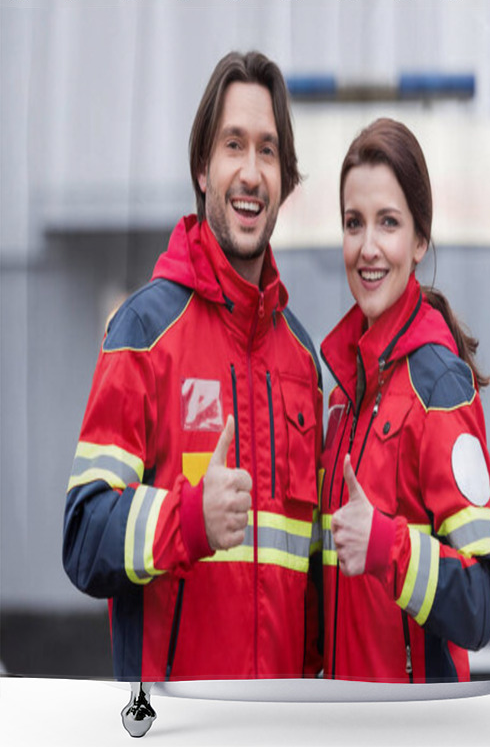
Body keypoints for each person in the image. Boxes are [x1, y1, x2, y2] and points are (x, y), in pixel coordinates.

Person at [62, 51, 323, 683]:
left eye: (267, 151)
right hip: (178, 723)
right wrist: (189, 520)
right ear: (202, 170)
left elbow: (315, 587)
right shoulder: (144, 333)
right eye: (233, 145)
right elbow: (83, 539)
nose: (251, 172)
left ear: (285, 181)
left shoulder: (303, 361)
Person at [320, 118, 490, 682]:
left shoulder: (440, 390)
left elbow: (483, 602)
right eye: (354, 224)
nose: (369, 247)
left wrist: (387, 545)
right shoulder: (342, 398)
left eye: (389, 223)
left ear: (419, 241)